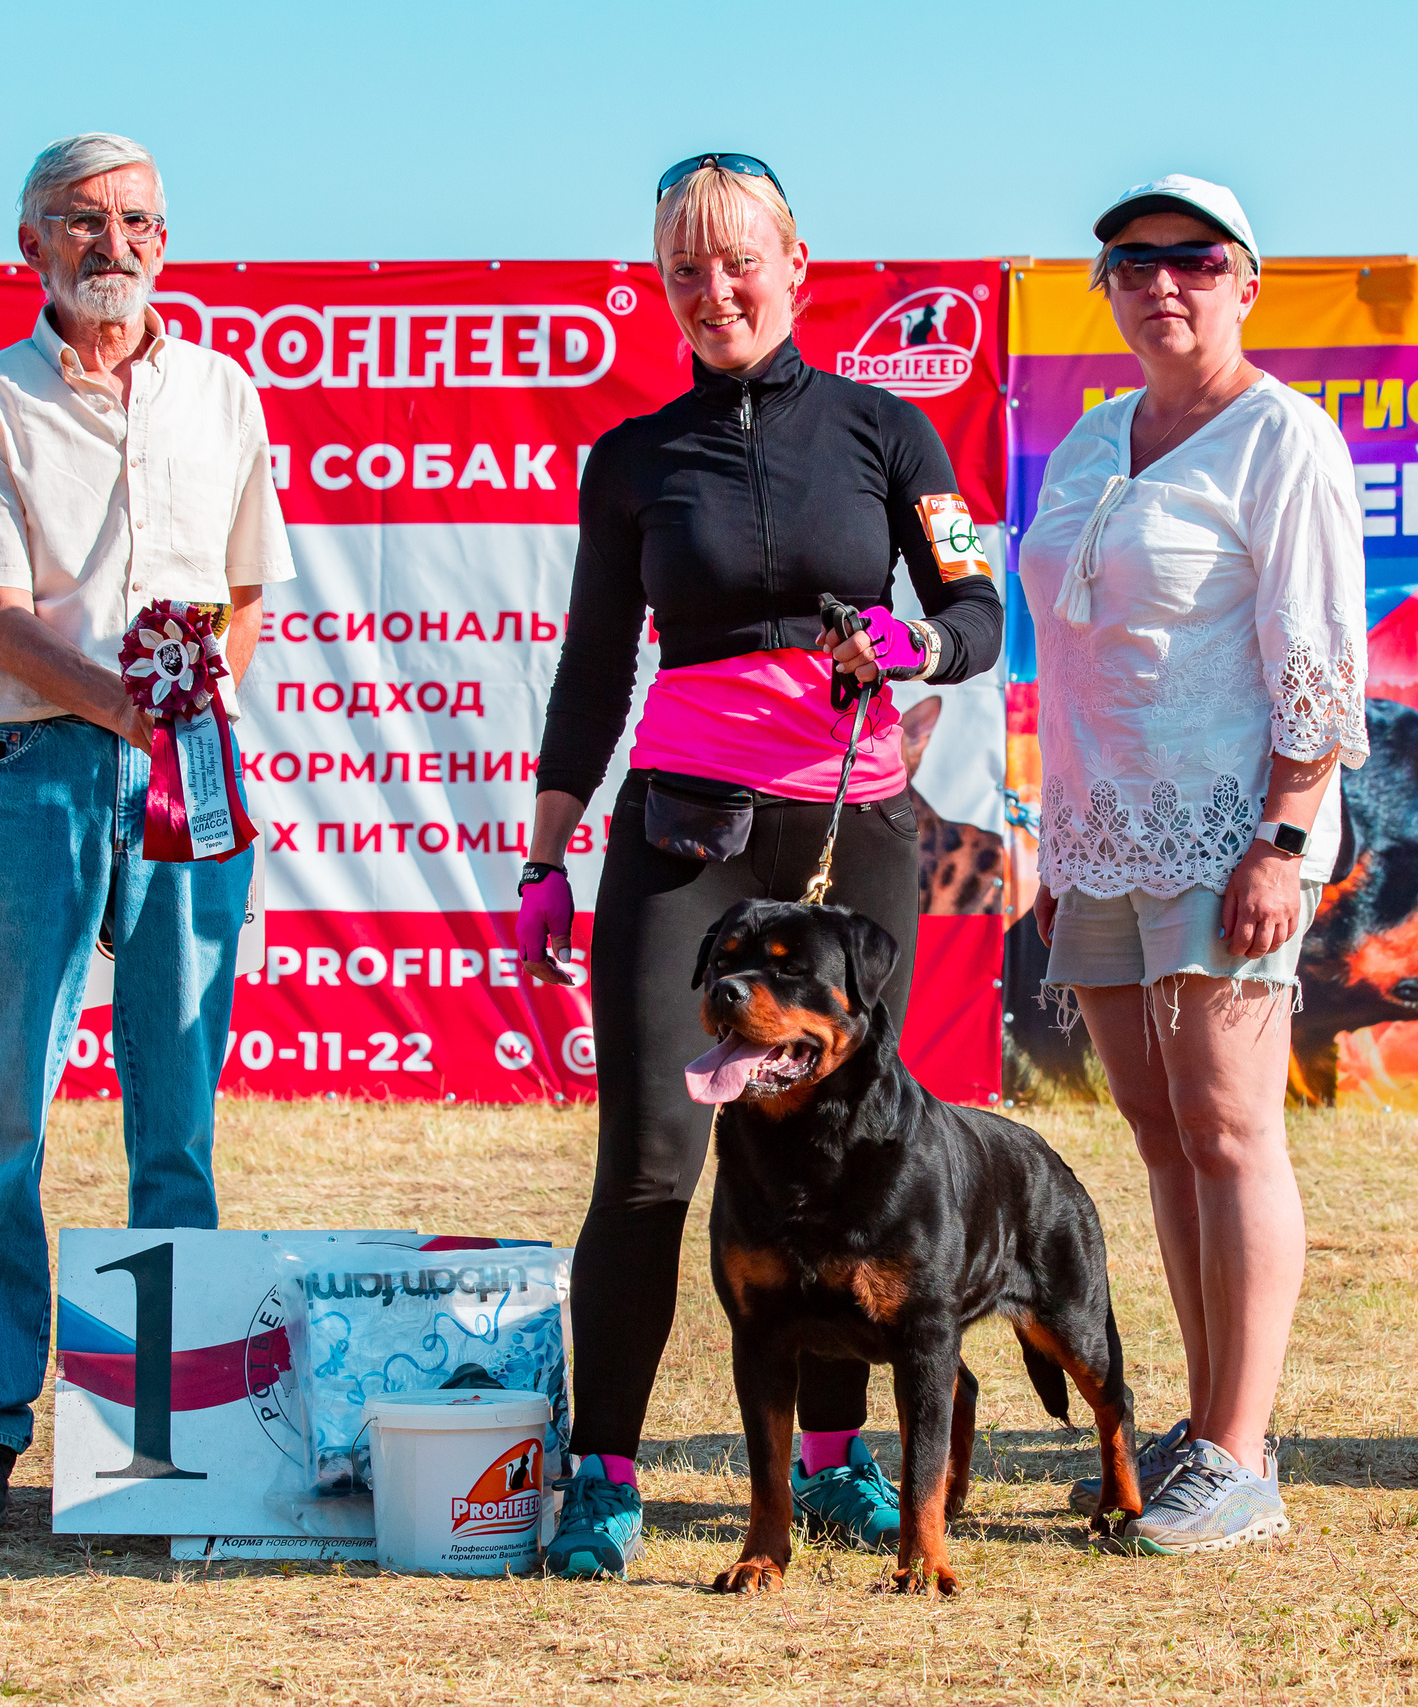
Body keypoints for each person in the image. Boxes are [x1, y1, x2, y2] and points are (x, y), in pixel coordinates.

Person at [519, 153, 1004, 1578]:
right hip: (685, 837)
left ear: (797, 260)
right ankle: (601, 1475)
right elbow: (594, 666)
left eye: (739, 260)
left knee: (855, 1159)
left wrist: (922, 645)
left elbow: (974, 608)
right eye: (685, 269)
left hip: (853, 835)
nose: (714, 290)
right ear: (659, 286)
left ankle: (835, 1463)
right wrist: (547, 856)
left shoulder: (887, 431)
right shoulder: (635, 459)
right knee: (654, 1164)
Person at [0, 134, 293, 1527]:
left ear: (165, 243)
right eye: (81, 221)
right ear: (31, 247)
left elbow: (247, 593)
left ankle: (162, 1437)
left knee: (176, 1118)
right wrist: (140, 714)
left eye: (136, 219)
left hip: (191, 783)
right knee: (3, 1109)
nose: (111, 242)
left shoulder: (224, 393)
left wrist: (195, 714)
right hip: (30, 775)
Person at [1018, 175, 1368, 1554]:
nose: (1162, 280)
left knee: (1232, 1131)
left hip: (1232, 831)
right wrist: (1058, 831)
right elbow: (1073, 649)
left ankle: (1240, 1452)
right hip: (1102, 832)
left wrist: (1285, 835)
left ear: (1245, 280)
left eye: (1194, 257)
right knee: (1163, 1136)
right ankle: (1211, 1431)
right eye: (1132, 259)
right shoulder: (1096, 440)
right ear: (1105, 285)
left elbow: (1319, 653)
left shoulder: (1286, 438)